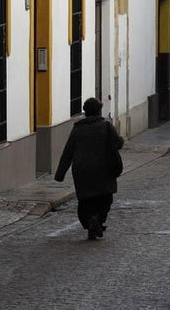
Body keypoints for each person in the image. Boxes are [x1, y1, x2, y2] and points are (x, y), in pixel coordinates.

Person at [54, 97, 124, 240]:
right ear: (99, 110)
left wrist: (60, 174)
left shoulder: (78, 128)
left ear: (85, 112)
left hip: (82, 170)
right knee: (105, 199)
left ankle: (90, 222)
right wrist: (121, 140)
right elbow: (117, 144)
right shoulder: (106, 126)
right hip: (103, 169)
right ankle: (97, 219)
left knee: (85, 201)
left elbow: (68, 152)